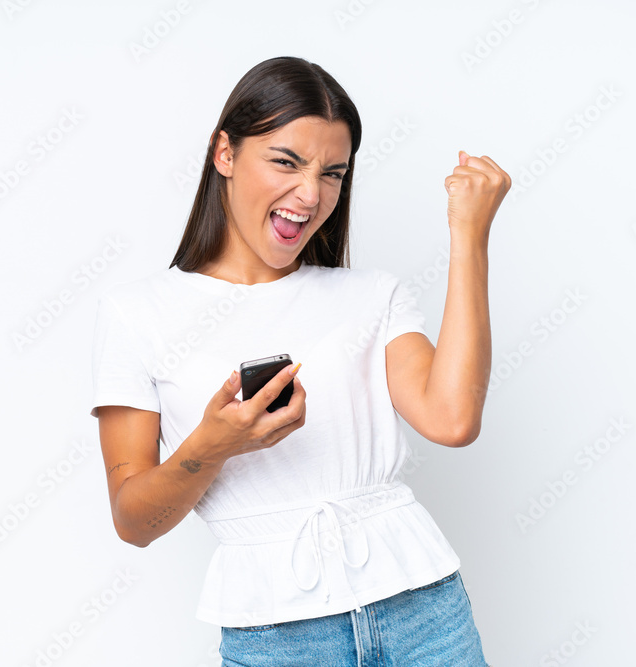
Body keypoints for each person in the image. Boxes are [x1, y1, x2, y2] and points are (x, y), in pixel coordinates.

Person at [90, 55, 510, 666]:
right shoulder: (137, 314)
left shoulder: (371, 295)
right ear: (225, 153)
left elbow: (452, 420)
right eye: (286, 162)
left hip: (423, 614)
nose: (311, 195)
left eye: (332, 173)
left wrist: (469, 235)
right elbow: (135, 523)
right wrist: (212, 444)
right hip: (278, 638)